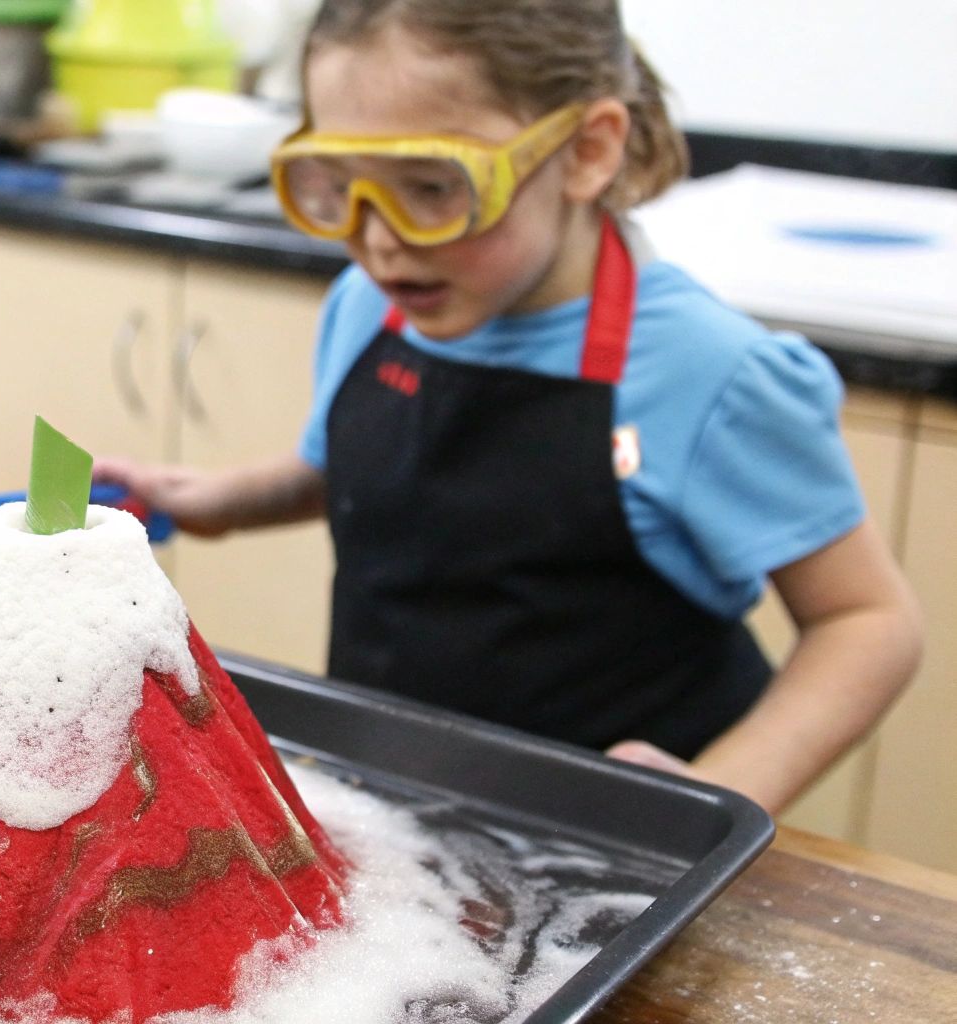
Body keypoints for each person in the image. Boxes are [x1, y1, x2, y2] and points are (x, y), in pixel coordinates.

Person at [95, 0, 922, 813]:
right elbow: (355, 468)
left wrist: (719, 794)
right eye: (338, 186)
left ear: (587, 151)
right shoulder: (370, 307)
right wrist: (224, 500)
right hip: (399, 796)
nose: (379, 239)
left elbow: (868, 620)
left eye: (430, 187)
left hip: (607, 837)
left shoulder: (706, 371)